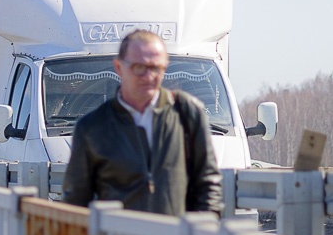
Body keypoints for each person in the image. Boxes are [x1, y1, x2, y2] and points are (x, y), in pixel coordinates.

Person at [63, 29, 222, 215]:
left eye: (156, 68)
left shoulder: (187, 113)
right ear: (118, 67)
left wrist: (202, 231)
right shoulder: (92, 127)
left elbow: (208, 183)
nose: (148, 77)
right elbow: (76, 202)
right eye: (139, 68)